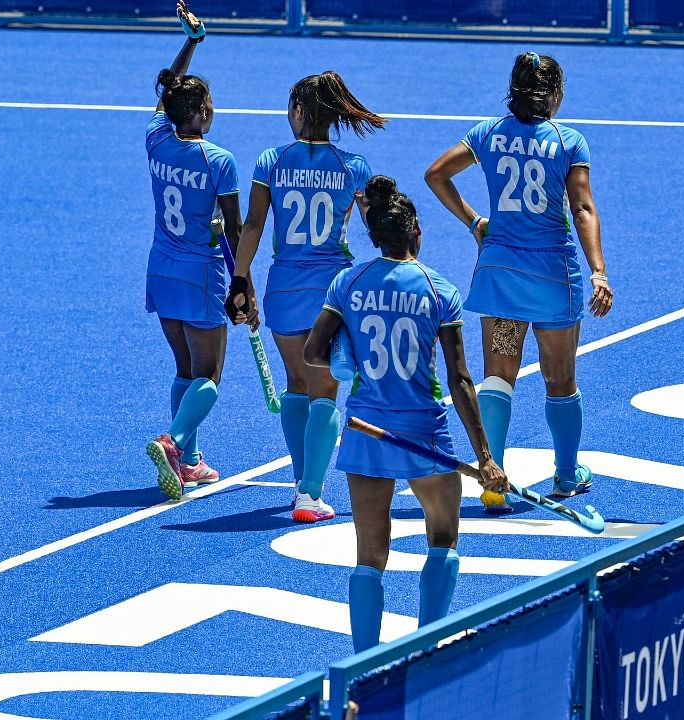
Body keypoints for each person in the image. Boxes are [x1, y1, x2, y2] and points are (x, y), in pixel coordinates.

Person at [304, 175, 508, 652]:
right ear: (416, 230)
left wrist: (344, 357)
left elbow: (315, 351)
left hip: (366, 432)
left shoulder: (347, 282)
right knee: (442, 538)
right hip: (424, 432)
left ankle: (364, 665)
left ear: (373, 234)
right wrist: (486, 456)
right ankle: (428, 648)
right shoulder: (439, 290)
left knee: (370, 554)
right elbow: (459, 379)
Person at [424, 51, 612, 513]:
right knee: (560, 379)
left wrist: (474, 222)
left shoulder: (488, 134)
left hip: (502, 277)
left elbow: (435, 174)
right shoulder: (568, 143)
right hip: (552, 279)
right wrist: (599, 270)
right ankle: (567, 475)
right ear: (555, 94)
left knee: (499, 376)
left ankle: (493, 479)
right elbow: (583, 208)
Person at [227, 70, 385, 523]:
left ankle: (301, 481)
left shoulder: (271, 161)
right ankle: (310, 494)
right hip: (330, 293)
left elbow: (253, 226)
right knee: (325, 394)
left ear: (298, 111)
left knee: (296, 384)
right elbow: (375, 226)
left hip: (283, 287)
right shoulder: (354, 167)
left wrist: (240, 280)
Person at [143, 1, 244, 502]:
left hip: (161, 270)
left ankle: (193, 462)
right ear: (203, 113)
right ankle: (174, 443)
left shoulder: (156, 141)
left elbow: (166, 96)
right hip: (203, 273)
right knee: (209, 374)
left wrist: (193, 42)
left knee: (184, 368)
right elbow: (237, 227)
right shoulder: (219, 160)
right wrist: (243, 283)